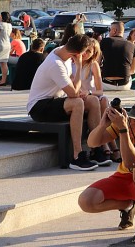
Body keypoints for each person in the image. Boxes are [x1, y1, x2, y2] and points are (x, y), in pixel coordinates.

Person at [78, 100, 135, 244]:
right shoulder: (125, 125)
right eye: (131, 121)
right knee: (86, 201)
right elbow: (92, 143)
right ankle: (128, 206)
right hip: (124, 177)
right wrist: (103, 125)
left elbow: (132, 162)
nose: (132, 125)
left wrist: (123, 130)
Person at [27, 33, 100, 171]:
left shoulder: (63, 51)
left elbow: (73, 86)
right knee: (77, 103)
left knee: (93, 101)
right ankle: (77, 156)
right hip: (39, 107)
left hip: (54, 100)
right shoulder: (55, 64)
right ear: (78, 53)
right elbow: (73, 93)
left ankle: (96, 149)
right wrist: (78, 67)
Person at [71, 38, 113, 166]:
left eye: (89, 51)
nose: (85, 54)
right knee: (100, 102)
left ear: (94, 53)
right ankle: (104, 146)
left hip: (90, 95)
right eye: (84, 50)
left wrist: (88, 93)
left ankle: (102, 146)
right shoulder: (71, 62)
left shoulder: (93, 64)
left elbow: (100, 90)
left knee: (103, 100)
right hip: (76, 95)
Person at [100, 21, 135, 91]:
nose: (109, 32)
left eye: (109, 30)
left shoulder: (104, 42)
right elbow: (133, 70)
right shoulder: (132, 45)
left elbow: (97, 62)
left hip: (106, 83)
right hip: (124, 85)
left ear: (114, 30)